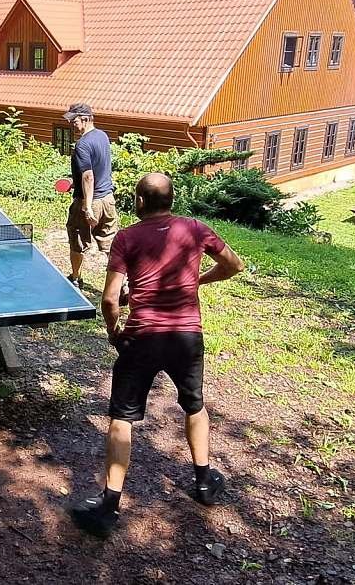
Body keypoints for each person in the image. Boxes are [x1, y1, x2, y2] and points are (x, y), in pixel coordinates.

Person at [70, 173, 244, 538]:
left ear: (139, 201)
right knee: (195, 406)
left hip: (142, 338)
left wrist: (113, 331)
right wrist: (198, 280)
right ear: (172, 200)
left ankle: (108, 506)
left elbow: (109, 299)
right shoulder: (195, 229)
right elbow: (233, 265)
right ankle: (203, 481)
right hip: (186, 337)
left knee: (122, 418)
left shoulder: (127, 237)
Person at [64, 103, 118, 290]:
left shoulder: (82, 145)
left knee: (77, 238)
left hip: (89, 202)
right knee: (109, 244)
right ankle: (123, 285)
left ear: (85, 118)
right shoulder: (102, 136)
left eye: (74, 120)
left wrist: (87, 207)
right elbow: (99, 167)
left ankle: (75, 278)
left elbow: (88, 176)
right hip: (108, 200)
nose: (71, 124)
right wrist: (75, 183)